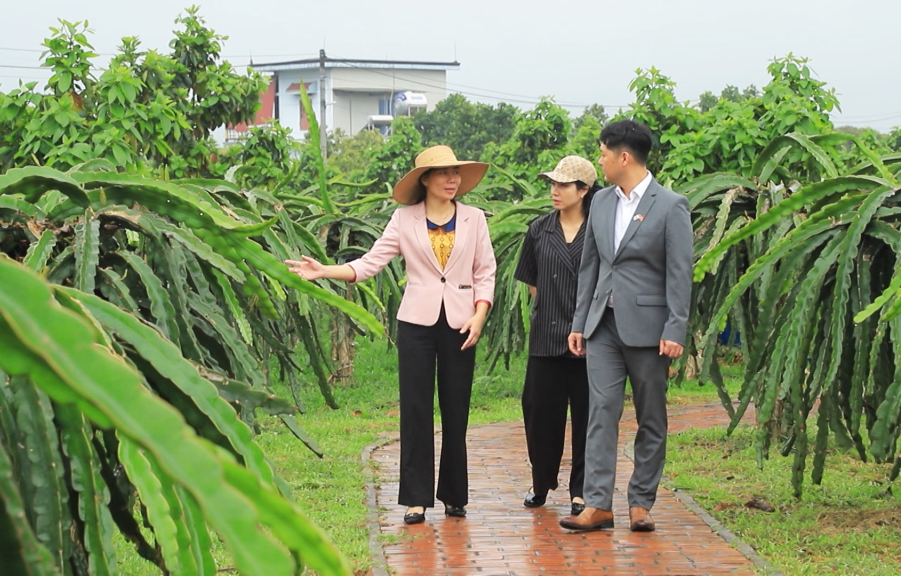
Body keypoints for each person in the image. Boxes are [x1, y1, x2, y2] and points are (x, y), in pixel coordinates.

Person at [286, 145, 497, 525]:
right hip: (417, 323)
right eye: (443, 173)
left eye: (456, 172)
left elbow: (485, 272)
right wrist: (324, 271)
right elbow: (369, 264)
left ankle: (454, 495)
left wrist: (480, 315)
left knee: (456, 410)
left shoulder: (474, 219)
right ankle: (416, 499)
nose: (452, 179)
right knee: (415, 410)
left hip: (462, 323)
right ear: (425, 180)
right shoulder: (404, 220)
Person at [560, 120, 693, 533]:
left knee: (651, 416)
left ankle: (641, 503)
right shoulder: (599, 203)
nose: (598, 159)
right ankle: (598, 504)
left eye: (601, 152)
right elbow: (591, 266)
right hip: (603, 326)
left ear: (624, 156)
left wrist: (676, 327)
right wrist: (580, 320)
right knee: (601, 412)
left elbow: (680, 273)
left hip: (651, 330)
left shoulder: (671, 205)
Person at [513, 155, 600, 515]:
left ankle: (581, 490)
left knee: (587, 416)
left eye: (563, 185)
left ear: (583, 190)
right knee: (539, 414)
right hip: (546, 337)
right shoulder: (539, 229)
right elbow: (532, 282)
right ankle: (541, 481)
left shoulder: (600, 229)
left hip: (591, 339)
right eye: (552, 184)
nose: (554, 191)